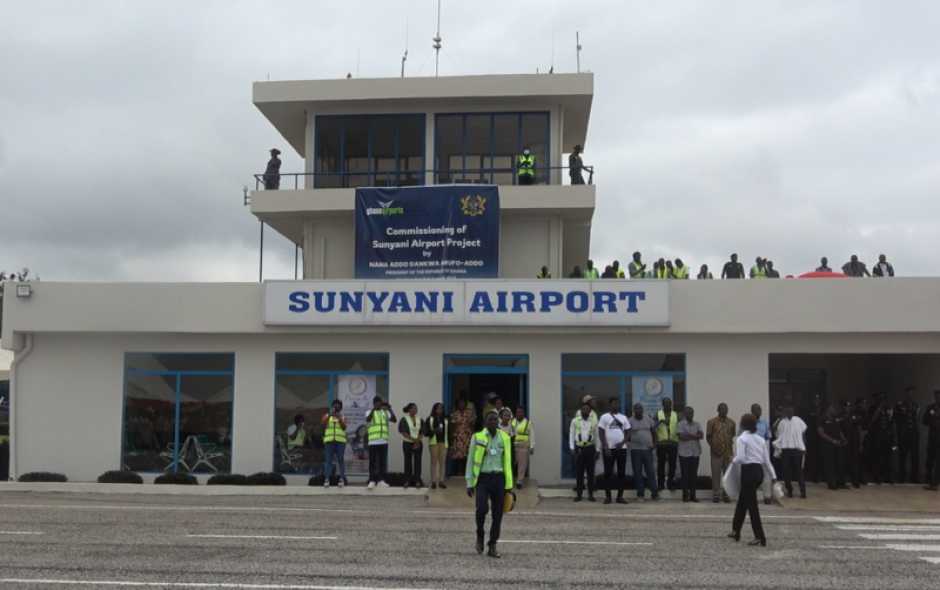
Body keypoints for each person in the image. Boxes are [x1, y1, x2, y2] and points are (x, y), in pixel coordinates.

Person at [466, 411, 513, 558]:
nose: (493, 422)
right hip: (483, 479)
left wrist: (509, 485)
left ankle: (492, 544)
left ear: (498, 421)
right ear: (485, 422)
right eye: (490, 420)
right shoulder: (477, 437)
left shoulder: (505, 438)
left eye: (495, 420)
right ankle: (480, 532)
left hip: (499, 479)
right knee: (481, 508)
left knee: (497, 514)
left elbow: (508, 462)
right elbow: (470, 459)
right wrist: (469, 482)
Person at [728, 413, 778, 547]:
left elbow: (742, 458)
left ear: (743, 425)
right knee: (743, 500)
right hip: (759, 472)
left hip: (748, 472)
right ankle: (735, 530)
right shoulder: (760, 439)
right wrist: (774, 478)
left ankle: (759, 536)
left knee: (752, 505)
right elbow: (767, 461)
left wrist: (733, 459)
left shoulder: (742, 438)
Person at [597, 397, 631, 504]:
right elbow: (601, 432)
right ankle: (608, 496)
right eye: (614, 403)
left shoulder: (624, 418)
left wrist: (622, 443)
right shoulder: (605, 417)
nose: (616, 405)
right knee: (608, 473)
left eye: (618, 403)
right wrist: (606, 447)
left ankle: (620, 496)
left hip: (621, 449)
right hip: (609, 449)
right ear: (610, 405)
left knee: (621, 473)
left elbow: (628, 432)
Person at [740, 404, 773, 504]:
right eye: (757, 409)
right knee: (749, 476)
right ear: (752, 411)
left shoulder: (764, 423)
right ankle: (750, 495)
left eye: (760, 409)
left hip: (761, 452)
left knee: (765, 474)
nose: (759, 411)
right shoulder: (746, 423)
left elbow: (768, 436)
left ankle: (767, 496)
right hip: (749, 454)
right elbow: (740, 436)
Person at [628, 403, 661, 502]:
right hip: (635, 450)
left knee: (650, 472)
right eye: (636, 408)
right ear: (634, 410)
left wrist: (655, 445)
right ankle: (640, 494)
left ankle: (655, 494)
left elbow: (654, 433)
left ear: (643, 410)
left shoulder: (648, 419)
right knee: (637, 473)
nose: (638, 410)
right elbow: (627, 434)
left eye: (640, 408)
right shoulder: (630, 421)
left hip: (647, 450)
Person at [773, 405, 807, 498]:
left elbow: (803, 434)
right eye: (787, 411)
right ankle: (790, 490)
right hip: (785, 449)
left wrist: (804, 447)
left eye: (791, 411)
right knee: (786, 471)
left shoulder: (798, 420)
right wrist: (780, 418)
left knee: (799, 471)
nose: (789, 413)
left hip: (797, 449)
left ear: (793, 411)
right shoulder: (781, 421)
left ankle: (803, 491)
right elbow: (774, 429)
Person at [569, 402, 599, 502]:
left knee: (590, 473)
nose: (585, 410)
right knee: (579, 473)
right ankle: (579, 494)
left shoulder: (594, 421)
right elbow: (571, 434)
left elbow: (597, 436)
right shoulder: (575, 421)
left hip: (590, 448)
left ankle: (590, 494)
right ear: (580, 410)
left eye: (587, 409)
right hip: (579, 449)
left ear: (590, 411)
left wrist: (597, 450)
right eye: (583, 409)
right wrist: (572, 448)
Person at [365, 396, 397, 489]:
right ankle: (372, 480)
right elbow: (367, 419)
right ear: (374, 403)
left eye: (381, 403)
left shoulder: (385, 412)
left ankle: (381, 480)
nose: (380, 404)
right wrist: (374, 409)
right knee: (373, 462)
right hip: (373, 441)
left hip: (383, 441)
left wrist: (390, 409)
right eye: (378, 403)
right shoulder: (369, 411)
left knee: (383, 461)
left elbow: (394, 420)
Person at [706, 403, 735, 503]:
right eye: (722, 408)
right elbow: (708, 437)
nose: (724, 410)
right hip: (716, 454)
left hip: (728, 453)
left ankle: (726, 494)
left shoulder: (731, 422)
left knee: (728, 476)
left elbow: (732, 436)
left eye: (726, 408)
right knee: (716, 474)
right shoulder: (712, 422)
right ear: (718, 410)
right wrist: (714, 449)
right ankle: (716, 494)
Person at [818, 401, 849, 491]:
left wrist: (843, 439)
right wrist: (833, 441)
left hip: (837, 444)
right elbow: (821, 432)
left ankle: (840, 482)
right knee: (829, 464)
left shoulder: (835, 418)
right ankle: (830, 483)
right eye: (832, 407)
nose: (834, 409)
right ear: (827, 408)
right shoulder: (822, 418)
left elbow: (839, 430)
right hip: (827, 444)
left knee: (841, 462)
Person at [894, 386, 920, 484]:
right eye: (909, 393)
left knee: (915, 457)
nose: (911, 395)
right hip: (903, 434)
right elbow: (896, 419)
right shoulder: (900, 405)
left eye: (912, 393)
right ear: (906, 394)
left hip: (913, 434)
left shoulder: (916, 406)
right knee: (902, 457)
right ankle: (902, 477)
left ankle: (915, 478)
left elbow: (916, 419)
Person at [677, 406, 704, 502]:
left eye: (691, 413)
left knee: (693, 475)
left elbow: (701, 436)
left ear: (693, 414)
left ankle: (693, 495)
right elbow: (681, 436)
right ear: (685, 414)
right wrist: (694, 436)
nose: (689, 414)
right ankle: (685, 495)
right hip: (684, 453)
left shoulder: (697, 424)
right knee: (684, 475)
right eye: (687, 413)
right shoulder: (680, 424)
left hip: (695, 452)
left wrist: (689, 435)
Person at [867, 392, 893, 484]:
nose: (882, 401)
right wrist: (879, 408)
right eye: (879, 399)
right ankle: (876, 477)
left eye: (883, 399)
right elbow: (873, 419)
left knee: (888, 457)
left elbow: (890, 421)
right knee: (877, 456)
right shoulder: (872, 408)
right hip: (877, 435)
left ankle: (887, 477)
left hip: (887, 435)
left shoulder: (888, 408)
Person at [320, 400, 347, 487]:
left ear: (340, 407)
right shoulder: (327, 415)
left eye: (338, 405)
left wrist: (339, 418)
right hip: (329, 441)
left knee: (340, 459)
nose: (336, 407)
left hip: (340, 441)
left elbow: (344, 427)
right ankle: (327, 479)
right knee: (328, 460)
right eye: (335, 405)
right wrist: (329, 416)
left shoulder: (342, 417)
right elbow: (322, 425)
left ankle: (341, 479)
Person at [840, 399, 865, 488]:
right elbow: (839, 430)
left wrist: (861, 443)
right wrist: (843, 439)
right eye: (846, 406)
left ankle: (855, 481)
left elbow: (859, 429)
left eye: (849, 406)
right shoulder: (839, 417)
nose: (847, 408)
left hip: (855, 441)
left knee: (855, 461)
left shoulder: (854, 416)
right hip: (845, 442)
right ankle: (841, 481)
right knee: (844, 462)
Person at [656, 397, 679, 492]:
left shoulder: (675, 414)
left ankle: (670, 483)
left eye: (670, 402)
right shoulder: (658, 414)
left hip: (673, 443)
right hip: (661, 443)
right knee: (661, 464)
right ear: (663, 404)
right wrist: (660, 421)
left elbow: (680, 425)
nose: (668, 404)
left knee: (672, 464)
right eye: (666, 402)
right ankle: (660, 484)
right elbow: (652, 425)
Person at [399, 403, 424, 489]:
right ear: (409, 409)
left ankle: (417, 480)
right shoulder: (404, 419)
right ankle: (407, 480)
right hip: (407, 442)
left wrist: (417, 440)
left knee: (418, 461)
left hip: (418, 442)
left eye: (416, 408)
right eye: (414, 408)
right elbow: (402, 431)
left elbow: (423, 431)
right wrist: (412, 439)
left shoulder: (420, 419)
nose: (416, 410)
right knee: (408, 461)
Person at [425, 402, 449, 490]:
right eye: (438, 408)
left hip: (444, 442)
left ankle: (441, 480)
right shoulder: (430, 419)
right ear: (434, 409)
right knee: (433, 462)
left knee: (442, 462)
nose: (439, 410)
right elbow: (425, 432)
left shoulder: (446, 419)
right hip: (433, 442)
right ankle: (434, 481)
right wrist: (434, 431)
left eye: (441, 408)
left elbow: (450, 431)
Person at [450, 397, 476, 477]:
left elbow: (472, 425)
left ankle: (467, 471)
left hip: (467, 435)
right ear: (457, 405)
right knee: (459, 455)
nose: (462, 405)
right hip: (458, 436)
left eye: (463, 404)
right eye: (460, 404)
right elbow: (453, 426)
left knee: (468, 454)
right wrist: (452, 436)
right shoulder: (455, 414)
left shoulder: (469, 413)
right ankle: (460, 471)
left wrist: (474, 435)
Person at [510, 407, 534, 489]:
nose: (518, 414)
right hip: (513, 445)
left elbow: (532, 435)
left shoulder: (528, 423)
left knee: (522, 464)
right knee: (511, 462)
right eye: (517, 412)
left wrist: (532, 447)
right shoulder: (512, 422)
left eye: (520, 412)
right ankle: (510, 480)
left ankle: (519, 481)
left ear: (523, 413)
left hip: (523, 445)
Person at [923, 390, 940, 491]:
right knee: (929, 460)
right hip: (932, 438)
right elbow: (925, 421)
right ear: (934, 397)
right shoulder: (930, 408)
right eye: (937, 397)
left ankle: (935, 482)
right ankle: (928, 480)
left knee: (939, 462)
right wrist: (935, 421)